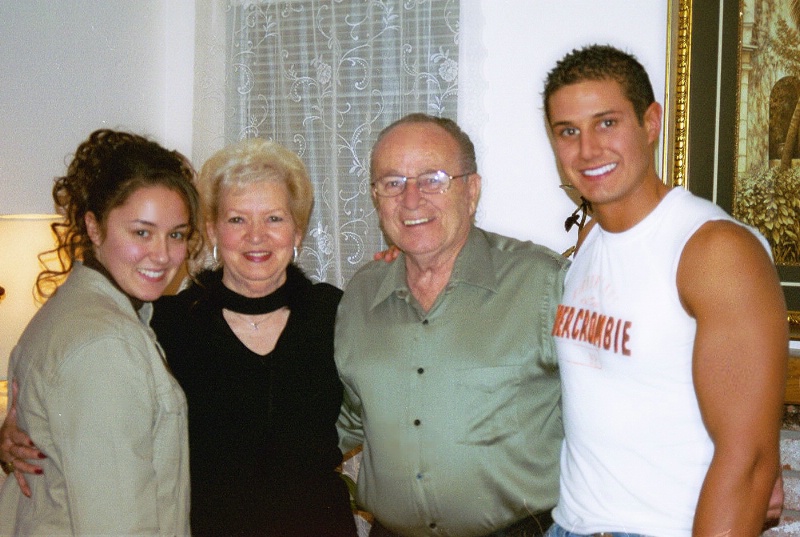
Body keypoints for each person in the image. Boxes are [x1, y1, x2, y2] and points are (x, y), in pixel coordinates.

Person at [0, 138, 358, 536]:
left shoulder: (336, 313)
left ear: (298, 230)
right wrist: (21, 435)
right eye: (237, 219)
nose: (256, 236)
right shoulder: (163, 322)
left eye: (274, 219)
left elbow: (384, 399)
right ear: (210, 230)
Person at [542, 44, 788, 536]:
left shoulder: (714, 251)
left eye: (606, 123)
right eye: (568, 131)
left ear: (650, 123)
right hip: (570, 525)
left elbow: (751, 460)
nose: (587, 150)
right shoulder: (591, 237)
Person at [335, 113, 568, 537]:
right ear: (375, 197)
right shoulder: (360, 297)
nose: (411, 200)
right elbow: (348, 418)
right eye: (392, 183)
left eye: (433, 179)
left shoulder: (543, 283)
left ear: (472, 190)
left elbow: (605, 419)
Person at [0, 129, 199, 535]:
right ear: (94, 227)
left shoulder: (88, 310)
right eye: (141, 232)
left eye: (176, 234)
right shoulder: (105, 343)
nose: (162, 255)